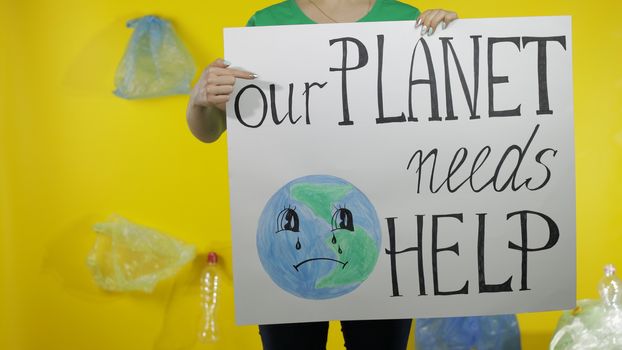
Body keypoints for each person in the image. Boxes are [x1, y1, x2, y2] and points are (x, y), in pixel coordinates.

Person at [186, 1, 458, 349]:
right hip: (288, 234)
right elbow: (210, 130)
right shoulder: (265, 23)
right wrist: (200, 98)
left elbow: (443, 115)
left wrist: (455, 43)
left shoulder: (407, 20)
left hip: (380, 236)